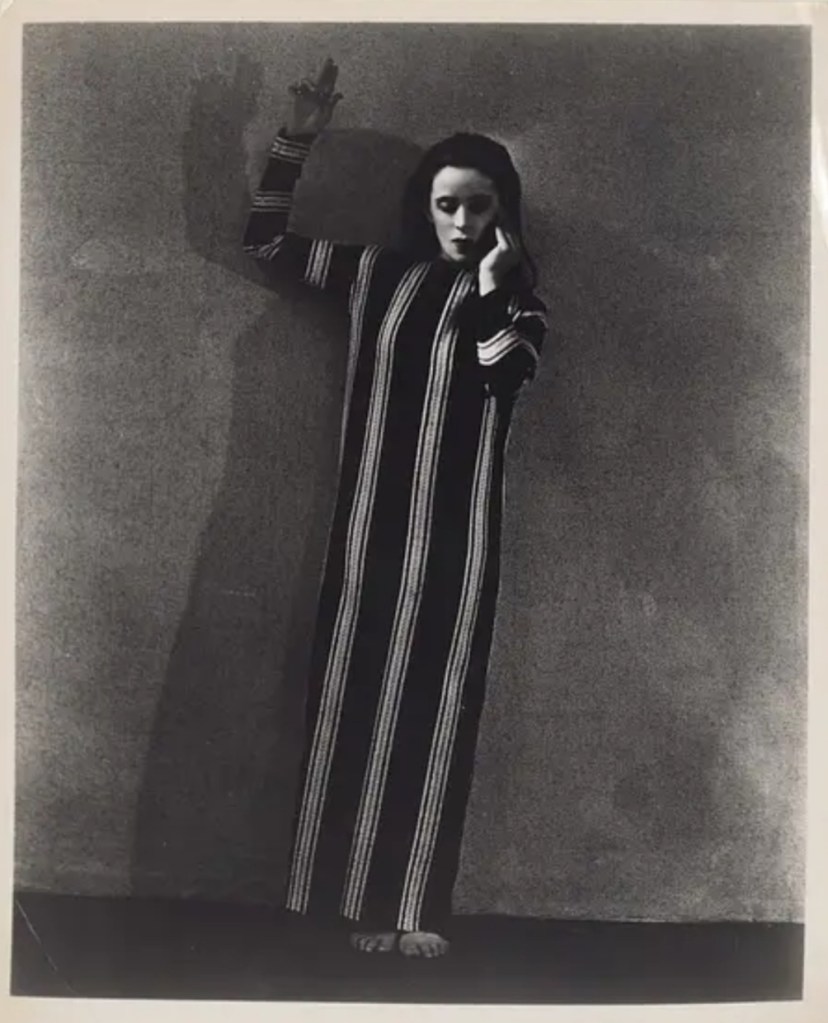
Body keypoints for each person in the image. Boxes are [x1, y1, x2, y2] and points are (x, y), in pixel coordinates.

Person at [243, 58, 547, 959]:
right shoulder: (375, 274)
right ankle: (341, 904)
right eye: (448, 204)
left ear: (503, 214)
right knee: (347, 700)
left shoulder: (521, 309)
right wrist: (295, 140)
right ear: (426, 206)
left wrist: (491, 288)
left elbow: (503, 375)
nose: (462, 222)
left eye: (480, 206)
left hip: (456, 546)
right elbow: (267, 242)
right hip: (368, 533)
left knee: (435, 710)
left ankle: (414, 906)